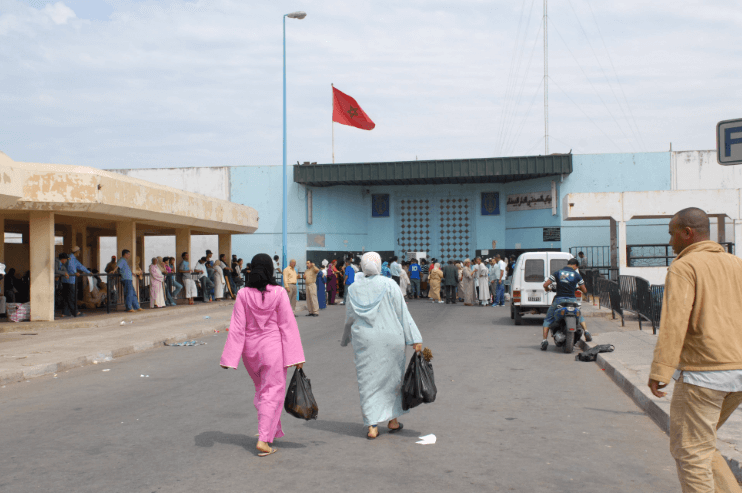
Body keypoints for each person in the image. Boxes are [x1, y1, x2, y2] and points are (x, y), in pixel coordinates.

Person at [647, 207, 742, 492]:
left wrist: (661, 369)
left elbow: (675, 322)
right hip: (737, 375)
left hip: (704, 375)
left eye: (672, 234)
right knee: (702, 443)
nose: (670, 241)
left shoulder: (684, 267)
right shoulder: (737, 264)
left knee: (690, 451)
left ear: (687, 233)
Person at [220, 253, 306, 457]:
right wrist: (296, 357)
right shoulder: (278, 293)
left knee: (262, 390)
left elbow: (237, 328)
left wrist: (229, 358)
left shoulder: (242, 294)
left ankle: (269, 430)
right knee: (272, 391)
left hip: (250, 352)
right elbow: (287, 325)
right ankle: (263, 439)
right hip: (273, 349)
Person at [341, 252, 423, 439]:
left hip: (365, 341)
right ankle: (392, 421)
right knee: (392, 380)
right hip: (390, 338)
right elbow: (403, 313)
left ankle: (372, 425)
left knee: (368, 381)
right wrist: (415, 339)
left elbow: (349, 318)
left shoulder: (353, 288)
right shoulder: (389, 284)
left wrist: (345, 338)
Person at [541, 258, 589, 351]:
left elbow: (545, 284)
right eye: (576, 267)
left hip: (559, 300)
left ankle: (544, 341)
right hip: (572, 300)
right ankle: (586, 332)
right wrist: (578, 288)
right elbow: (585, 290)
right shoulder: (576, 275)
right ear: (575, 265)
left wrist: (547, 289)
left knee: (548, 319)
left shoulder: (557, 273)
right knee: (579, 315)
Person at [63, 246, 90, 317]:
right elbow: (71, 267)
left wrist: (88, 272)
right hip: (70, 280)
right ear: (77, 252)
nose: (79, 252)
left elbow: (80, 266)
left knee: (67, 297)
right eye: (79, 251)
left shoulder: (72, 258)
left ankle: (65, 313)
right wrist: (75, 273)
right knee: (71, 297)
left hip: (65, 280)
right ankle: (75, 312)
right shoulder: (71, 258)